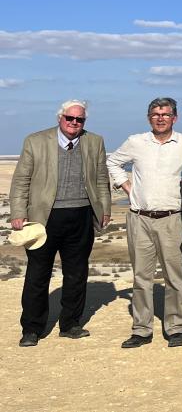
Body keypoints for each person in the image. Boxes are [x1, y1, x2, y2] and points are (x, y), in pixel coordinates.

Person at [12, 100, 111, 347]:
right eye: (70, 118)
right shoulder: (35, 141)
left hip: (82, 215)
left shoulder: (95, 141)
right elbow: (21, 180)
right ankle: (32, 329)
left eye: (80, 120)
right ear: (60, 118)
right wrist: (17, 212)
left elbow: (101, 178)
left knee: (77, 273)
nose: (74, 123)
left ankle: (70, 324)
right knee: (37, 274)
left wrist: (105, 209)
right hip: (43, 218)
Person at [107, 97, 182, 349]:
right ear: (149, 118)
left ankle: (176, 328)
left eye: (165, 114)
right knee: (141, 277)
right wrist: (126, 185)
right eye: (155, 114)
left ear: (174, 118)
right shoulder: (136, 142)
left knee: (174, 277)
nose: (160, 118)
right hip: (139, 218)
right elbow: (112, 162)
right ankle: (142, 329)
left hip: (173, 219)